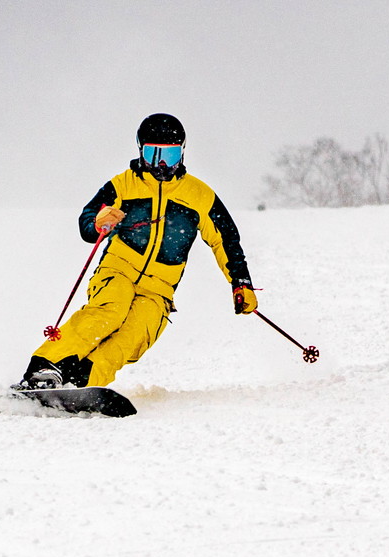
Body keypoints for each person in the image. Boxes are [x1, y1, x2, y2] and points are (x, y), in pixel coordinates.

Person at [13, 113, 257, 390]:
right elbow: (87, 220)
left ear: (183, 153)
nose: (162, 165)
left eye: (171, 155)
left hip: (160, 288)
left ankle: (81, 382)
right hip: (118, 269)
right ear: (141, 152)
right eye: (154, 154)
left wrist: (240, 283)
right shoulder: (124, 185)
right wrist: (98, 221)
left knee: (133, 336)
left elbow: (226, 240)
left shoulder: (198, 195)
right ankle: (45, 368)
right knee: (109, 311)